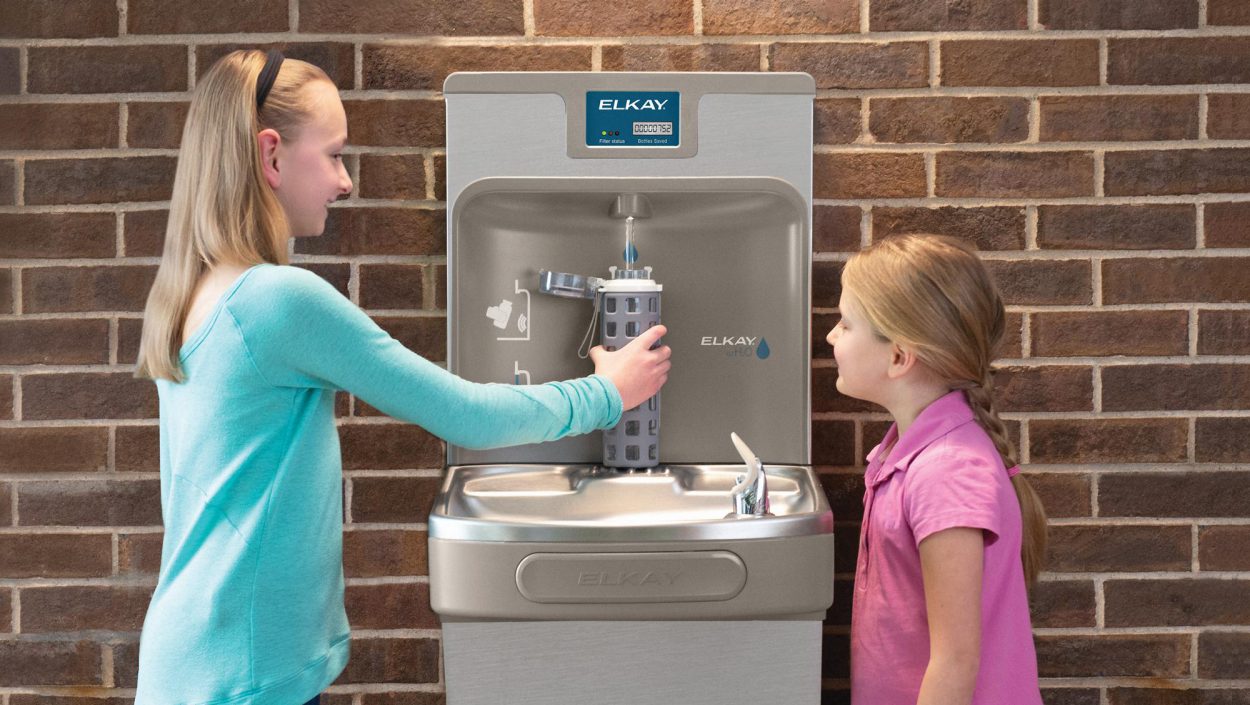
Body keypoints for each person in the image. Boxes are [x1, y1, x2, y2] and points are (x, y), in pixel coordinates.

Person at [132, 49, 671, 705]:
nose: (345, 180)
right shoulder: (277, 302)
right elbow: (463, 414)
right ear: (271, 156)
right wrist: (609, 392)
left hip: (193, 657)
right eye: (332, 154)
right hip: (243, 673)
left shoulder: (193, 295)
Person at [827, 234, 1046, 705]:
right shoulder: (909, 455)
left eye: (845, 324)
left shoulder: (946, 474)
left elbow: (955, 662)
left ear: (899, 357)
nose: (831, 335)